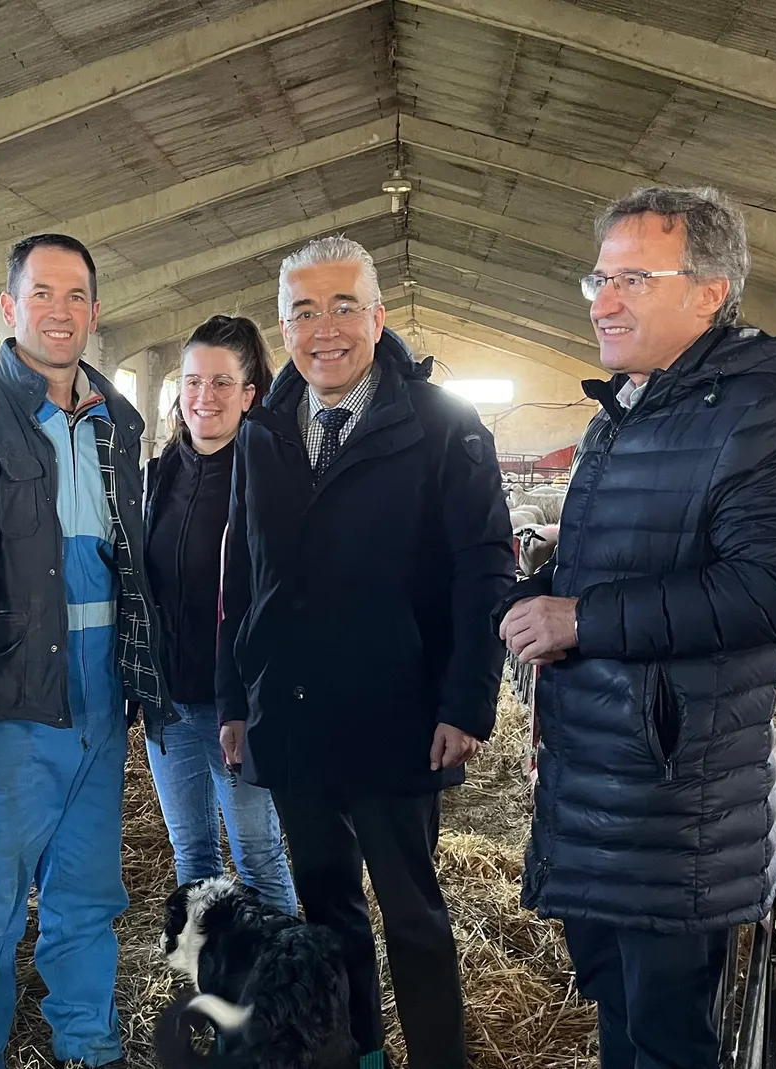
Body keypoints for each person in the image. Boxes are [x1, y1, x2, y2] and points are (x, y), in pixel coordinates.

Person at [496, 186, 776, 1069]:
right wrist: (534, 589)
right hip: (600, 786)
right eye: (599, 280)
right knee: (622, 1017)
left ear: (710, 292)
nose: (605, 301)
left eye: (633, 280)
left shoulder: (763, 412)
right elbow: (622, 566)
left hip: (674, 806)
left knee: (669, 1038)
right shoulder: (634, 409)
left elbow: (774, 588)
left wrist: (583, 616)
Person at [217, 236, 516, 1069]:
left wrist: (465, 700)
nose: (325, 329)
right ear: (282, 327)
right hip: (296, 714)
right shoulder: (264, 429)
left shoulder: (441, 425)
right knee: (327, 911)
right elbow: (243, 571)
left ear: (379, 315)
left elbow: (482, 562)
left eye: (344, 305)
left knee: (413, 912)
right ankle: (357, 1054)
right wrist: (235, 697)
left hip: (401, 713)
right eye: (304, 311)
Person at [0, 233, 172, 1069]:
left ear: (96, 312)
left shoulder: (121, 418)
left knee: (87, 888)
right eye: (42, 294)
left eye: (75, 297)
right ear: (9, 307)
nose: (59, 311)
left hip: (101, 695)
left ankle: (90, 1041)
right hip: (8, 692)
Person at [142, 315, 294, 914]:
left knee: (257, 852)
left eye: (223, 383)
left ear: (250, 393)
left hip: (240, 704)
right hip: (170, 703)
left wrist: (253, 701)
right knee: (193, 851)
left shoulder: (268, 478)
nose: (205, 397)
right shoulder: (159, 477)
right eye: (193, 381)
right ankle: (208, 983)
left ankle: (279, 994)